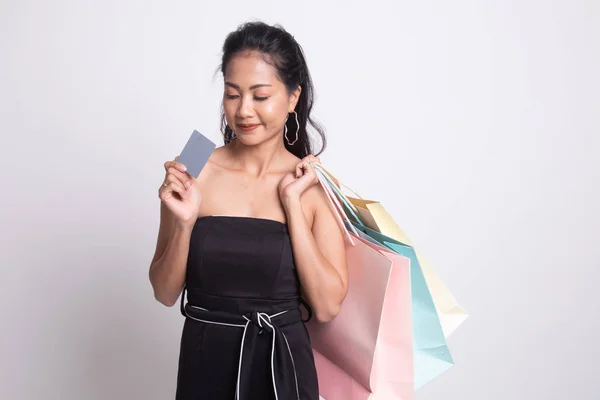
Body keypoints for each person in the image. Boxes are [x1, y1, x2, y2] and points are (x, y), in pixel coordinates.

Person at [149, 21, 348, 400]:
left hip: (282, 369)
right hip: (204, 367)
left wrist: (291, 205)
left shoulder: (311, 181)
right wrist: (185, 223)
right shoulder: (193, 162)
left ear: (292, 98)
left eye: (260, 96)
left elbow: (326, 306)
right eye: (232, 94)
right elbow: (164, 291)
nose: (243, 111)